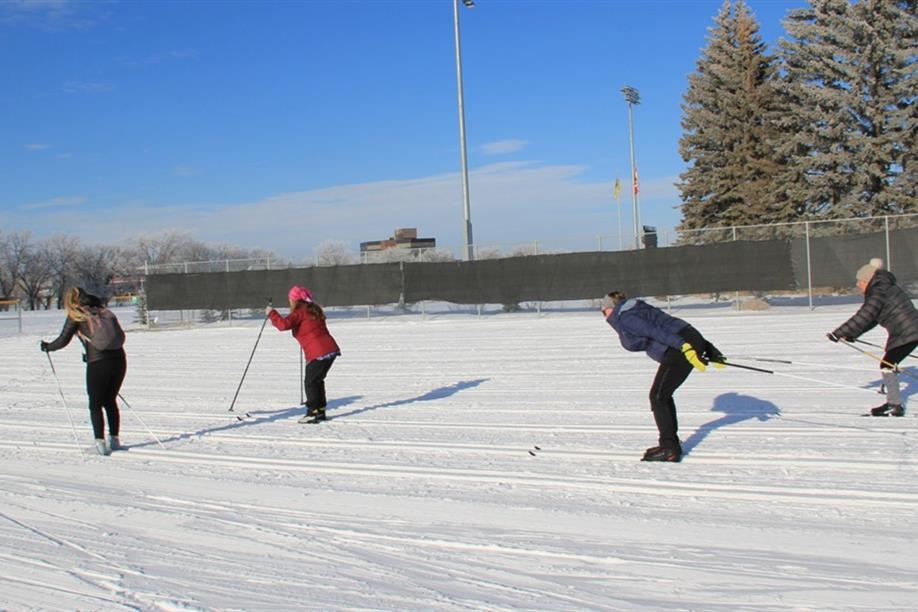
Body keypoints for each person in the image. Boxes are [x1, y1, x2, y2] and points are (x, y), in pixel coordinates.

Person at [601, 291, 725, 462]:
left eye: (604, 311)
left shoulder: (626, 317)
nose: (605, 316)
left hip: (677, 349)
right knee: (662, 395)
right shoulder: (639, 308)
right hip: (689, 340)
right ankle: (670, 444)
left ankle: (669, 448)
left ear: (611, 308)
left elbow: (655, 332)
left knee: (658, 397)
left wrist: (683, 346)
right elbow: (675, 325)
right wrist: (707, 348)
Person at [40, 287, 127, 456]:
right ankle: (115, 440)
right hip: (119, 360)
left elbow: (63, 340)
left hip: (98, 362)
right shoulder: (103, 310)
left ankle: (100, 444)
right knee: (110, 400)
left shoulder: (77, 314)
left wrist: (48, 347)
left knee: (95, 403)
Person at [828, 263, 918, 416]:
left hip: (907, 333)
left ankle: (894, 405)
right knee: (889, 364)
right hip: (909, 331)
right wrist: (852, 334)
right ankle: (894, 403)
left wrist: (838, 333)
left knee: (887, 365)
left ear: (866, 280)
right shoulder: (883, 287)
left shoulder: (877, 291)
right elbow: (872, 318)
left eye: (859, 281)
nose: (858, 285)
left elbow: (865, 315)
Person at [268, 286, 341, 423]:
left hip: (318, 352)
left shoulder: (299, 312)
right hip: (330, 349)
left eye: (290, 299)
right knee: (317, 381)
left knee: (311, 382)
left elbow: (283, 325)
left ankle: (313, 412)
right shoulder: (313, 309)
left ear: (295, 300)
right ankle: (320, 410)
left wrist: (271, 313)